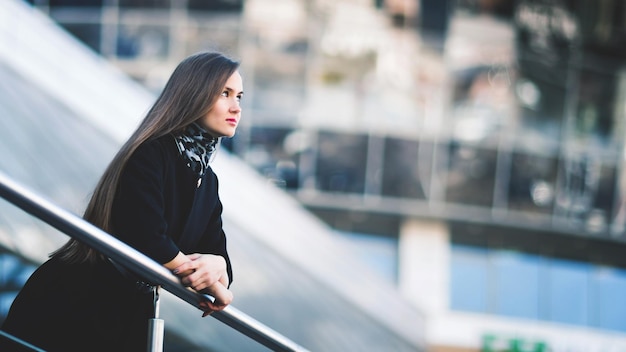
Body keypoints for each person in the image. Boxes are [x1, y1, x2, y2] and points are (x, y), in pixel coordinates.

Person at [1, 51, 243, 351]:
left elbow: (219, 257)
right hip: (74, 300)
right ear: (195, 94)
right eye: (225, 93)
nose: (236, 106)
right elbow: (147, 237)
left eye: (239, 96)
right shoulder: (152, 152)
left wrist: (217, 265)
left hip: (127, 313)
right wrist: (199, 275)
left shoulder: (207, 180)